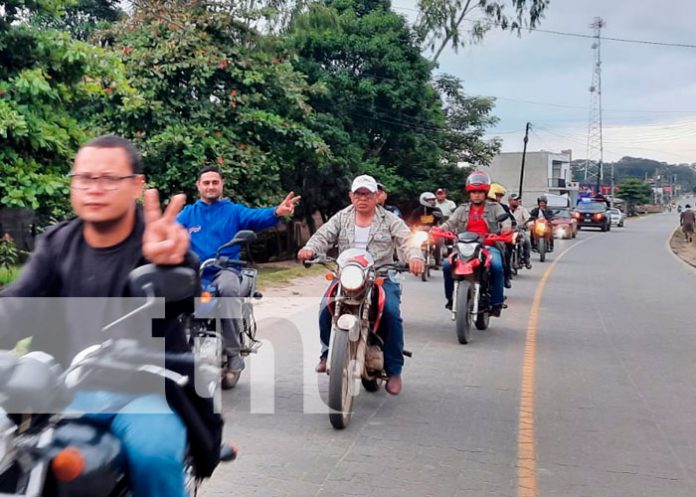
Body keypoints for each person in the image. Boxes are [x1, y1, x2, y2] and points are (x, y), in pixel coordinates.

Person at [0, 135, 216, 497]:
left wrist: (174, 262)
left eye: (108, 179)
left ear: (136, 185)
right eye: (84, 178)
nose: (93, 189)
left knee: (154, 452)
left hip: (142, 392)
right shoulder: (56, 243)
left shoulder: (156, 240)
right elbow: (21, 302)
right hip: (58, 388)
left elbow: (183, 293)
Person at [297, 174, 424, 396]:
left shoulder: (389, 220)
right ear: (351, 196)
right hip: (348, 275)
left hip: (381, 276)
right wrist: (310, 249)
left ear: (376, 196)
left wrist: (415, 257)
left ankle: (394, 370)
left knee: (392, 314)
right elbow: (322, 237)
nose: (362, 198)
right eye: (358, 194)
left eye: (367, 194)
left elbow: (407, 240)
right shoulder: (341, 217)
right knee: (324, 307)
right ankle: (327, 353)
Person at [176, 166, 300, 373]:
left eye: (215, 182)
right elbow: (168, 231)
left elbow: (256, 217)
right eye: (206, 182)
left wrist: (277, 212)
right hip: (195, 273)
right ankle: (174, 348)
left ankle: (233, 351)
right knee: (171, 294)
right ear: (198, 186)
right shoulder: (188, 214)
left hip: (225, 270)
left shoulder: (233, 211)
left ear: (222, 184)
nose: (210, 186)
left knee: (228, 290)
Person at [439, 171, 511, 316]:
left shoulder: (495, 207)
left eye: (480, 192)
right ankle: (451, 298)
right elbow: (450, 223)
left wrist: (506, 228)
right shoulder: (461, 209)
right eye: (473, 192)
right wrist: (438, 230)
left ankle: (496, 302)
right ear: (469, 194)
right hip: (462, 247)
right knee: (447, 265)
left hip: (488, 246)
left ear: (485, 193)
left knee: (497, 266)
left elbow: (505, 220)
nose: (476, 195)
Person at [487, 183, 514, 288]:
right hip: (473, 240)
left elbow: (508, 220)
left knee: (505, 253)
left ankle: (506, 276)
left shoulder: (500, 207)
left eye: (500, 196)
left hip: (495, 237)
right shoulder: (468, 207)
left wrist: (506, 228)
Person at [508, 194, 532, 269]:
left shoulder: (522, 209)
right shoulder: (505, 209)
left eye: (517, 200)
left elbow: (528, 219)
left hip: (519, 231)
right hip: (508, 231)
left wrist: (528, 224)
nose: (516, 202)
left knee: (527, 241)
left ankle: (526, 260)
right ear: (509, 201)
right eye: (514, 200)